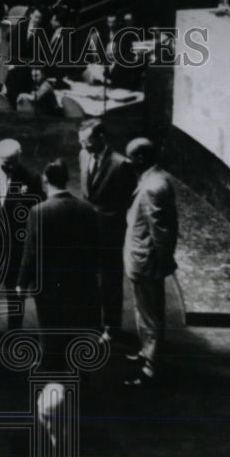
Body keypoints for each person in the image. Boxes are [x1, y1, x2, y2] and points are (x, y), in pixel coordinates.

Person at [17, 159, 101, 372]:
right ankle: (77, 369)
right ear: (67, 179)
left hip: (49, 282)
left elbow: (31, 252)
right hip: (80, 281)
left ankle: (50, 366)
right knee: (76, 325)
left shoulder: (39, 211)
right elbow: (95, 247)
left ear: (45, 181)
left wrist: (22, 283)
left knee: (50, 327)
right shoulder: (87, 208)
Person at [123, 138, 178, 386]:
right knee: (145, 310)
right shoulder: (158, 178)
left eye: (130, 156)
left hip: (146, 261)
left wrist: (165, 261)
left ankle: (151, 365)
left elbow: (160, 231)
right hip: (145, 260)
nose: (127, 161)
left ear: (141, 158)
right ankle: (147, 352)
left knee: (149, 314)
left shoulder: (152, 187)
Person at [0, 139, 43, 332]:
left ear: (20, 156)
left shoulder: (31, 178)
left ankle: (14, 331)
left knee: (15, 292)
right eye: (6, 163)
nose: (11, 167)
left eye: (14, 162)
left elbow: (37, 212)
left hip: (16, 247)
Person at [78, 120, 135, 338]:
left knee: (110, 280)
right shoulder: (83, 154)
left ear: (101, 137)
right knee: (88, 277)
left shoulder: (121, 165)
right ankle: (92, 322)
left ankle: (112, 325)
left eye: (87, 141)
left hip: (110, 233)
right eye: (80, 141)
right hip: (87, 230)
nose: (83, 145)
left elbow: (125, 204)